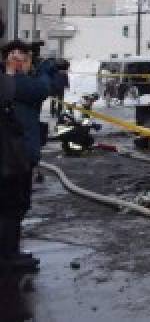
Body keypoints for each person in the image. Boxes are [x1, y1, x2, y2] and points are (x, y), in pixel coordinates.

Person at [0, 39, 65, 275]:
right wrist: (46, 70)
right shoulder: (15, 83)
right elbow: (42, 89)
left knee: (13, 205)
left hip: (16, 153)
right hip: (15, 155)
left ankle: (10, 252)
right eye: (21, 59)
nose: (24, 63)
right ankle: (8, 256)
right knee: (13, 205)